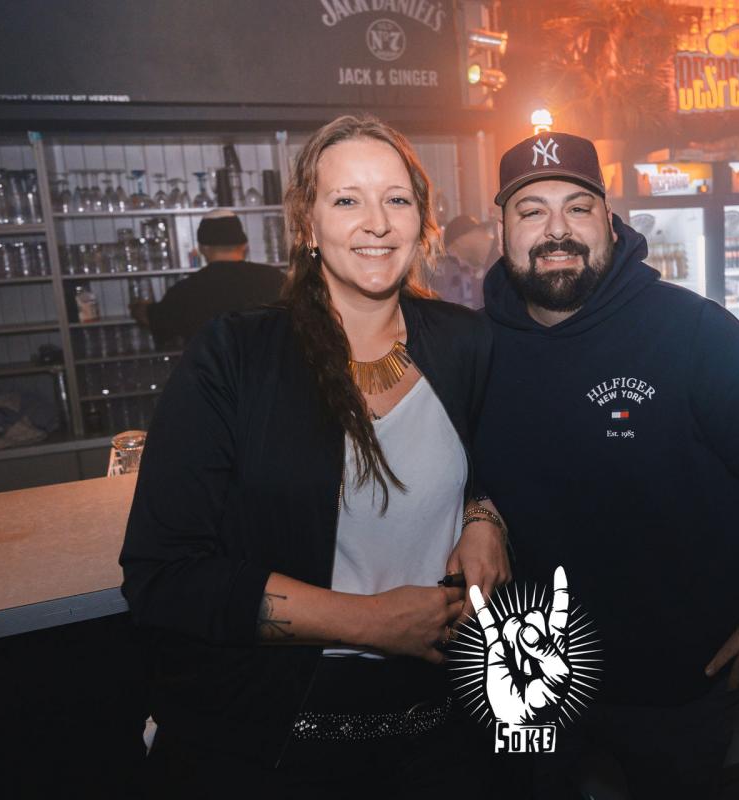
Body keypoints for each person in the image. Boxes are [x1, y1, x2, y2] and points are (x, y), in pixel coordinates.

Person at [119, 115, 510, 796]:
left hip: (440, 732)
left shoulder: (466, 343)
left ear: (423, 220)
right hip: (270, 741)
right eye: (347, 199)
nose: (377, 223)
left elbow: (500, 463)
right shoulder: (236, 355)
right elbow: (164, 576)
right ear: (307, 222)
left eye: (396, 199)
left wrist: (486, 516)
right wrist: (369, 621)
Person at [472, 132, 739, 797]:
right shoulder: (473, 346)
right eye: (532, 211)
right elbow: (446, 466)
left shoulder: (691, 332)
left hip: (672, 686)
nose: (557, 230)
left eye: (578, 208)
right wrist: (478, 510)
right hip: (525, 677)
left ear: (610, 222)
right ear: (501, 230)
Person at [128, 209, 285, 348]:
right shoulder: (275, 279)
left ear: (202, 248)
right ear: (244, 245)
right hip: (268, 370)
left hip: (212, 372)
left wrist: (138, 308)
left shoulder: (186, 290)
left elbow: (153, 319)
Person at [429, 214, 498, 308]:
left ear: (460, 242)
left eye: (456, 255)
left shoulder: (502, 257)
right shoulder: (490, 264)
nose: (460, 263)